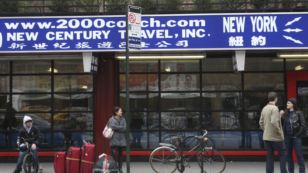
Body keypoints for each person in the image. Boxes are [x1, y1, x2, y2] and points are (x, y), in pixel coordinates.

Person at [259, 92, 286, 173]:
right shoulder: (274, 108)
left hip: (266, 137)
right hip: (276, 138)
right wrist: (279, 132)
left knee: (270, 157)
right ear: (276, 99)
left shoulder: (264, 108)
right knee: (282, 155)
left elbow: (261, 122)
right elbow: (274, 122)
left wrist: (266, 130)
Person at [281, 98, 306, 173]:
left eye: (288, 103)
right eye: (287, 103)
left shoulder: (299, 113)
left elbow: (303, 125)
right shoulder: (286, 113)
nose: (287, 104)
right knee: (288, 156)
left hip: (296, 137)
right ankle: (291, 171)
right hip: (287, 137)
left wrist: (297, 135)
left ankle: (302, 171)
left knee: (299, 155)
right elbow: (282, 125)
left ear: (293, 104)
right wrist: (281, 115)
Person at [108, 106, 127, 173]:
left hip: (121, 140)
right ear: (116, 112)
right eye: (120, 111)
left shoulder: (123, 119)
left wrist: (116, 128)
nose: (121, 112)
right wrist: (120, 128)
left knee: (120, 156)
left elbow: (124, 128)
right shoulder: (111, 119)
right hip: (114, 139)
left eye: (121, 111)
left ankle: (120, 169)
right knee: (113, 156)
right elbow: (111, 126)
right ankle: (114, 169)